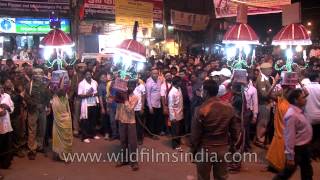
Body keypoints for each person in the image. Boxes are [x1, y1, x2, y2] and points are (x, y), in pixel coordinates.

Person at [191, 80, 240, 180]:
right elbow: (235, 131)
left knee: (203, 177)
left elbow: (195, 135)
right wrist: (232, 146)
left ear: (205, 92)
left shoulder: (201, 109)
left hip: (205, 149)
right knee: (222, 177)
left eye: (202, 90)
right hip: (222, 149)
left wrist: (193, 150)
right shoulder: (229, 107)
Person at [273, 89, 313, 180]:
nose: (305, 99)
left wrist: (305, 94)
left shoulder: (298, 109)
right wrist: (290, 157)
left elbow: (303, 99)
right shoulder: (291, 115)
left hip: (304, 147)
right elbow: (289, 136)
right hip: (297, 148)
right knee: (286, 172)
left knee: (307, 171)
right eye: (303, 98)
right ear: (296, 100)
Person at [266, 74, 294, 172]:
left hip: (285, 133)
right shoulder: (280, 101)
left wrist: (297, 82)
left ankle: (281, 167)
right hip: (279, 132)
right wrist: (275, 83)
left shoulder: (291, 104)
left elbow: (306, 94)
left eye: (284, 89)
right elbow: (268, 95)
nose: (281, 90)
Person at [25, 68, 51, 160]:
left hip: (42, 110)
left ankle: (39, 146)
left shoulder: (44, 86)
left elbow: (48, 97)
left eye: (40, 74)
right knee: (32, 130)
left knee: (42, 129)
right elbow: (27, 98)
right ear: (33, 75)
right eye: (36, 74)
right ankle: (32, 149)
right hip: (33, 110)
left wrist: (48, 106)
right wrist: (35, 105)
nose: (38, 75)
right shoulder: (29, 86)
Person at [115, 80, 139, 171]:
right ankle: (124, 159)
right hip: (121, 120)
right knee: (123, 141)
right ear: (127, 85)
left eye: (133, 86)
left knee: (132, 142)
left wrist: (125, 99)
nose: (131, 87)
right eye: (129, 85)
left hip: (130, 122)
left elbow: (129, 110)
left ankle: (134, 162)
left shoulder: (135, 97)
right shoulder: (122, 94)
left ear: (135, 87)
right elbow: (118, 106)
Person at [51, 75, 73, 161]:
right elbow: (59, 89)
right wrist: (62, 78)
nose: (61, 90)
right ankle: (59, 154)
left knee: (66, 138)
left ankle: (66, 155)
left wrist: (63, 79)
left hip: (66, 120)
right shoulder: (55, 97)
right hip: (58, 120)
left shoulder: (65, 96)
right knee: (57, 137)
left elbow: (62, 90)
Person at [78, 70, 100, 143]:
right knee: (85, 121)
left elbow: (96, 92)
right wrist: (87, 95)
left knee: (93, 120)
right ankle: (85, 137)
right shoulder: (81, 83)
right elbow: (80, 95)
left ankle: (93, 134)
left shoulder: (95, 82)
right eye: (87, 74)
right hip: (86, 104)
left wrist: (96, 95)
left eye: (90, 74)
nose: (89, 75)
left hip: (93, 103)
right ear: (84, 75)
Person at [253, 66, 272, 147]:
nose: (271, 70)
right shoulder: (261, 79)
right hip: (263, 104)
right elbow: (264, 95)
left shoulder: (265, 78)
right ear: (264, 70)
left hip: (265, 104)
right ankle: (259, 140)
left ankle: (259, 139)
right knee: (263, 123)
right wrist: (274, 86)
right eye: (269, 69)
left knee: (264, 123)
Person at [303, 71, 320, 159]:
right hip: (319, 116)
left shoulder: (305, 88)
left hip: (308, 116)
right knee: (317, 136)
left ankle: (309, 154)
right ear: (317, 78)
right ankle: (316, 154)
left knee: (309, 137)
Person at [0, 83, 14, 169]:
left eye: (1, 87)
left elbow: (12, 107)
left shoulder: (6, 96)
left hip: (7, 126)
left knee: (7, 145)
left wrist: (8, 108)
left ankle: (6, 163)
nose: (1, 89)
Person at [168, 76, 184, 151]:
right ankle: (175, 145)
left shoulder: (179, 89)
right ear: (177, 82)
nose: (181, 83)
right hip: (175, 115)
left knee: (179, 130)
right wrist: (173, 117)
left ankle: (178, 142)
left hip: (180, 113)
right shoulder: (171, 93)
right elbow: (170, 106)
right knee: (175, 131)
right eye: (180, 81)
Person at [146, 68, 162, 139]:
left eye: (156, 73)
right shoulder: (149, 83)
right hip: (152, 105)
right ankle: (152, 134)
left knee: (157, 120)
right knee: (151, 121)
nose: (155, 75)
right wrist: (150, 107)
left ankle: (156, 132)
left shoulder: (159, 80)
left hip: (158, 104)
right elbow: (148, 95)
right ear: (151, 74)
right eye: (154, 73)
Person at [133, 79, 146, 145]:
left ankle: (139, 138)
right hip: (131, 109)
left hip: (139, 108)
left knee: (139, 125)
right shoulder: (130, 85)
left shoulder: (142, 86)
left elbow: (143, 97)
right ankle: (133, 138)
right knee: (132, 125)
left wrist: (142, 107)